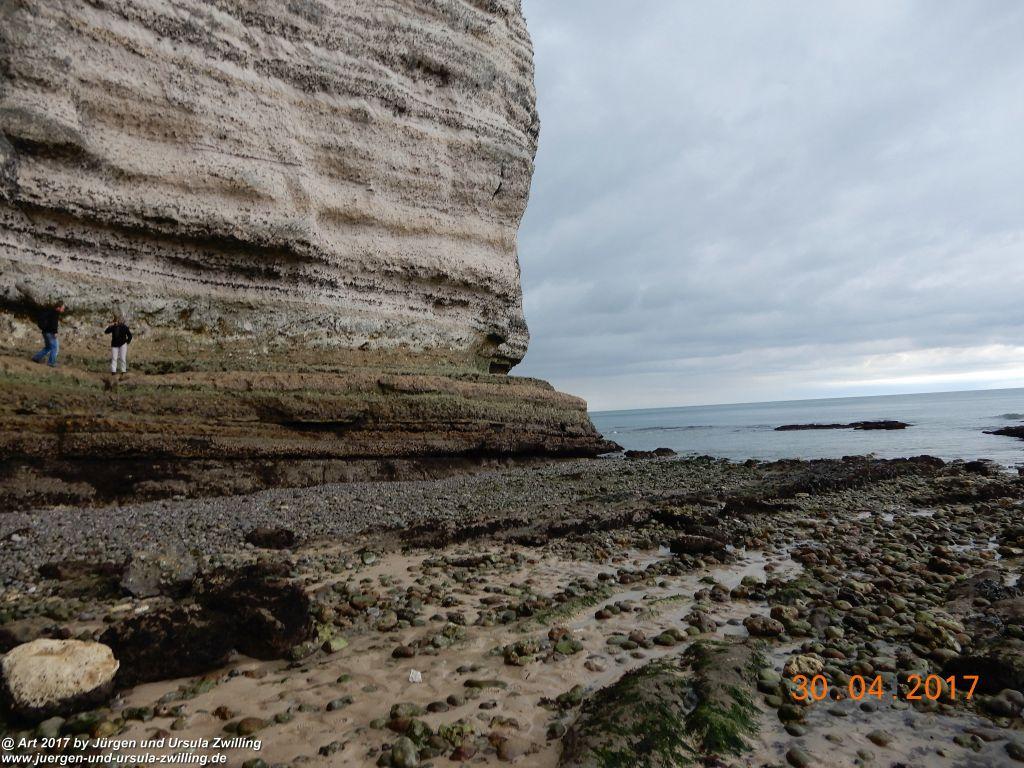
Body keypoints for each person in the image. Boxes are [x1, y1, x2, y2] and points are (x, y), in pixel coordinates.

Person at [31, 300, 65, 367]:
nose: (63, 309)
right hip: (50, 333)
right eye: (63, 308)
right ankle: (51, 362)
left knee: (48, 347)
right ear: (58, 307)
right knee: (55, 348)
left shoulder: (50, 311)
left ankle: (36, 358)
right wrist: (55, 332)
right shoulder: (55, 313)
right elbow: (53, 324)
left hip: (45, 332)